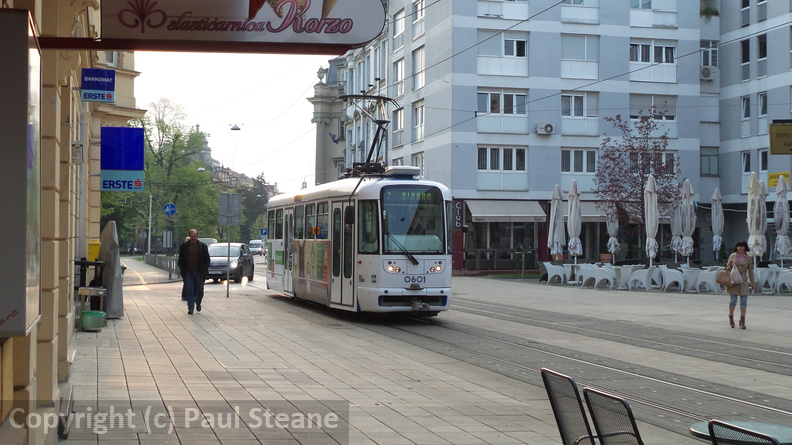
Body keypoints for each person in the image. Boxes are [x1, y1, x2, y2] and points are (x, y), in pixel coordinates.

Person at [178, 229, 210, 314]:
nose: (193, 238)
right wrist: (182, 269)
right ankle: (190, 307)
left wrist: (205, 269)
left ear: (197, 236)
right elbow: (180, 259)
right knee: (189, 289)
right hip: (188, 271)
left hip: (199, 271)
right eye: (191, 237)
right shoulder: (184, 246)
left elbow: (207, 259)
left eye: (194, 237)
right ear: (189, 236)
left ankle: (198, 302)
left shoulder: (202, 246)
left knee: (200, 289)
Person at [725, 241, 756, 329]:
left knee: (744, 301)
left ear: (745, 248)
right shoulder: (732, 256)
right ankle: (731, 317)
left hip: (743, 281)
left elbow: (750, 272)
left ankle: (742, 321)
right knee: (733, 300)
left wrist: (753, 283)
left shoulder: (749, 258)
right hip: (734, 281)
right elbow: (726, 269)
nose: (739, 248)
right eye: (738, 246)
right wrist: (731, 266)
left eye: (741, 246)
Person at [180, 236, 190, 301]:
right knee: (186, 283)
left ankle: (187, 296)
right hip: (186, 269)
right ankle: (184, 296)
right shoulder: (183, 247)